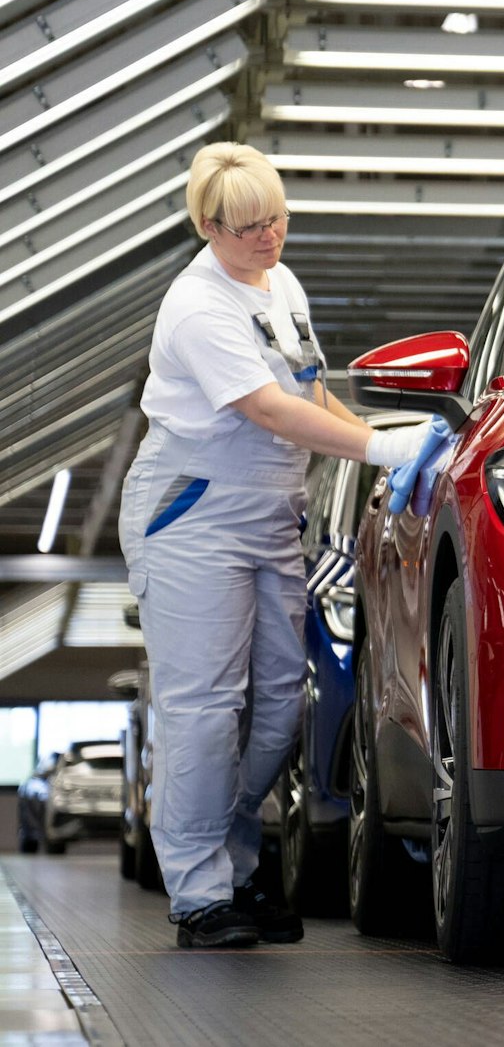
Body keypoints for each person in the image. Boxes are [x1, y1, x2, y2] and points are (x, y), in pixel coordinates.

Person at [118, 143, 435, 949]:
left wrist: (375, 436)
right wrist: (380, 451)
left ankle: (233, 865)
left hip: (270, 516)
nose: (271, 237)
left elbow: (307, 388)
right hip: (192, 516)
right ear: (207, 225)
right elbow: (268, 409)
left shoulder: (280, 283)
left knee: (276, 710)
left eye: (280, 219)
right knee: (203, 711)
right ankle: (198, 894)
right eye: (252, 226)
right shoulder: (195, 306)